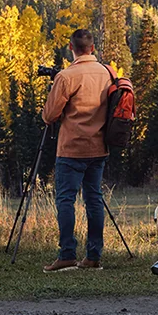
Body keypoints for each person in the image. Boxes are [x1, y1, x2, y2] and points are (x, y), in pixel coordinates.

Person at [41, 29, 110, 272]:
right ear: (92, 48)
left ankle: (67, 254)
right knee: (94, 200)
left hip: (71, 149)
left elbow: (50, 115)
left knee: (65, 200)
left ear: (71, 47)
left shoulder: (66, 76)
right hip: (99, 147)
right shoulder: (106, 73)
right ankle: (93, 256)